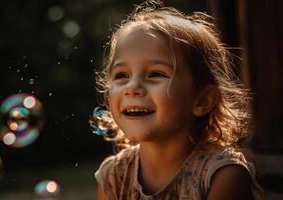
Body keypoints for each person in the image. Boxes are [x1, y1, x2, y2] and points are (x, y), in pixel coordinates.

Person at [92, 1, 265, 199]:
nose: (132, 87)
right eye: (122, 75)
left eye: (156, 74)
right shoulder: (113, 177)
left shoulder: (223, 176)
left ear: (202, 100)